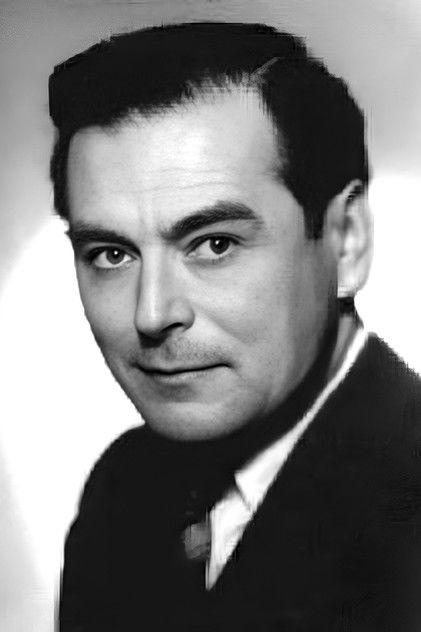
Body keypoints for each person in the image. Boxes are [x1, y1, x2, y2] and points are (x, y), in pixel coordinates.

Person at [49, 22, 421, 631]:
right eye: (111, 254)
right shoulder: (123, 491)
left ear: (346, 241)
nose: (152, 314)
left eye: (214, 244)